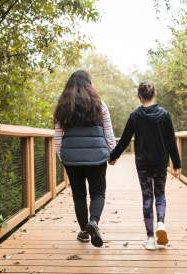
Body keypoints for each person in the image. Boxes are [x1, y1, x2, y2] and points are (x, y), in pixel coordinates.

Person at [109, 81, 181, 250]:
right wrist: (176, 164)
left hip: (143, 163)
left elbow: (125, 139)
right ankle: (161, 223)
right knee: (160, 194)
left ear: (139, 96)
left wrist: (113, 157)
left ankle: (150, 239)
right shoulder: (164, 115)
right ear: (154, 94)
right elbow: (171, 141)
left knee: (147, 197)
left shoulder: (135, 115)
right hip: (160, 161)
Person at [54, 70, 116, 247]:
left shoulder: (63, 106)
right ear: (89, 84)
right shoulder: (99, 104)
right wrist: (112, 154)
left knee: (79, 195)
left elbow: (58, 136)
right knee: (98, 192)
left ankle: (84, 230)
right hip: (96, 157)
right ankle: (94, 222)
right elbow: (108, 132)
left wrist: (62, 156)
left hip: (71, 158)